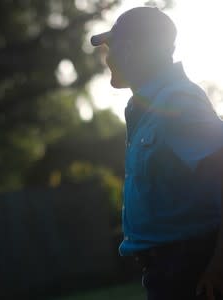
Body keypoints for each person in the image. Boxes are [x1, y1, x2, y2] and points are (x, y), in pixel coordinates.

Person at [91, 6, 223, 300]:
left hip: (191, 267)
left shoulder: (179, 103)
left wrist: (218, 264)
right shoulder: (148, 105)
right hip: (171, 268)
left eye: (111, 48)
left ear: (129, 49)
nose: (107, 58)